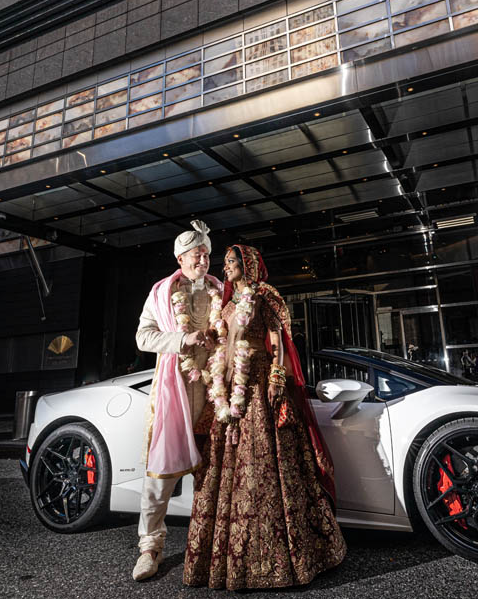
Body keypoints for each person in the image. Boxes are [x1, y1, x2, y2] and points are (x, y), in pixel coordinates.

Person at [183, 244, 345, 590]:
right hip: (230, 389)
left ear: (248, 265)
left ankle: (287, 557)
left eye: (230, 262)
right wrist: (203, 340)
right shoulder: (225, 305)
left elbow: (278, 337)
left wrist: (276, 376)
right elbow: (220, 341)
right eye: (224, 262)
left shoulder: (264, 295)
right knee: (223, 468)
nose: (225, 267)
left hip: (258, 384)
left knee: (268, 465)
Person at [131, 220, 224, 582]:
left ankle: (213, 545)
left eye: (206, 254)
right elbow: (143, 337)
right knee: (160, 476)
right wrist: (181, 340)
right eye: (196, 255)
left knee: (217, 471)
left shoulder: (221, 289)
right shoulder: (160, 292)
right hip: (176, 387)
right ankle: (149, 548)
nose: (203, 260)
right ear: (181, 258)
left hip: (216, 389)